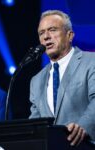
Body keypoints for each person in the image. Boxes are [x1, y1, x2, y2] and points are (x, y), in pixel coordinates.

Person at [29, 10, 95, 146]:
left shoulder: (91, 62)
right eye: (41, 33)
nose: (46, 37)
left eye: (52, 30)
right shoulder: (36, 80)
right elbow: (35, 123)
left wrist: (82, 126)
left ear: (69, 35)